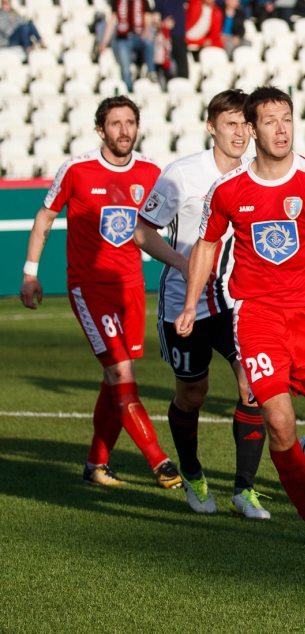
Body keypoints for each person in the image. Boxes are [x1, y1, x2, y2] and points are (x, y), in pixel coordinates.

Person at [177, 86, 305, 548]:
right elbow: (205, 246)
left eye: (287, 119)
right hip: (257, 318)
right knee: (278, 421)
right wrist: (189, 303)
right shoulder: (228, 189)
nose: (281, 129)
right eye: (270, 121)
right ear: (253, 129)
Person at [20, 96, 181, 490]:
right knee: (122, 374)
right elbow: (45, 215)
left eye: (130, 122)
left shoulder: (151, 172)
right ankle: (160, 462)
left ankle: (96, 463)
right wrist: (30, 272)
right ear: (100, 130)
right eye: (115, 123)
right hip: (90, 288)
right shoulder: (77, 169)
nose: (124, 130)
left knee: (114, 379)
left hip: (132, 290)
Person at [133, 91, 269, 518]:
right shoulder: (182, 174)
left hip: (236, 302)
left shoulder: (258, 172)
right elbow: (142, 231)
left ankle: (244, 491)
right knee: (192, 395)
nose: (240, 133)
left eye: (246, 125)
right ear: (211, 127)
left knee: (254, 389)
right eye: (231, 124)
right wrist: (186, 263)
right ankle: (192, 472)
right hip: (183, 302)